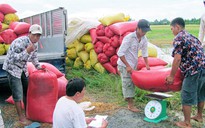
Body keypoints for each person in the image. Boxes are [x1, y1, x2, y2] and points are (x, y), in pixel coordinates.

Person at [166, 17, 205, 128]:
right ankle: (199, 115)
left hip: (193, 71)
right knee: (201, 93)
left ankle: (187, 123)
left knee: (186, 95)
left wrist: (171, 76)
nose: (172, 31)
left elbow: (177, 59)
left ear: (177, 27)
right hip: (203, 68)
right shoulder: (191, 36)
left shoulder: (179, 38)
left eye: (172, 28)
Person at [2, 24, 43, 125]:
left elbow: (34, 58)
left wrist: (38, 67)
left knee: (27, 89)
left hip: (23, 68)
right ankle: (21, 118)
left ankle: (28, 113)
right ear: (29, 33)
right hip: (12, 68)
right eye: (34, 35)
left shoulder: (35, 44)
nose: (36, 37)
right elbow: (13, 58)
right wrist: (27, 51)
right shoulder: (19, 42)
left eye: (38, 35)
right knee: (18, 93)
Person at [117, 19, 151, 112]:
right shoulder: (129, 38)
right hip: (124, 64)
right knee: (128, 83)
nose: (144, 33)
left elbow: (145, 52)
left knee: (131, 83)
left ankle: (128, 98)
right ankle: (130, 105)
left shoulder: (144, 39)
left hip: (133, 64)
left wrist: (147, 65)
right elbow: (120, 53)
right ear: (138, 28)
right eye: (143, 30)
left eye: (146, 31)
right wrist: (127, 66)